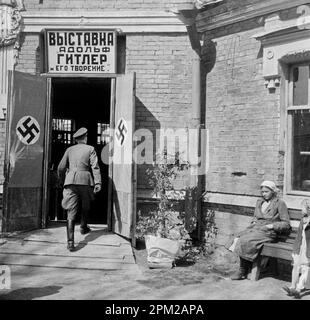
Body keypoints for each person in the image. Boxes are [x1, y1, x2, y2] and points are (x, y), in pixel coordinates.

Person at [231, 180, 291, 280]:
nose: (264, 194)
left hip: (269, 233)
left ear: (273, 191)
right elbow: (255, 217)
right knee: (237, 237)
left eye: (266, 192)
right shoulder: (260, 202)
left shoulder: (279, 203)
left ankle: (242, 270)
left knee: (246, 240)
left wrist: (271, 226)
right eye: (262, 192)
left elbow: (286, 224)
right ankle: (247, 268)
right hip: (256, 229)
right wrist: (254, 223)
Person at [58, 127, 102, 251]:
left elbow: (61, 168)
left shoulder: (69, 150)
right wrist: (98, 182)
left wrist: (63, 180)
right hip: (86, 180)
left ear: (76, 139)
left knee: (70, 211)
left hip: (70, 181)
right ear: (85, 137)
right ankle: (83, 227)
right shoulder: (90, 149)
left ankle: (70, 243)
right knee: (86, 204)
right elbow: (95, 167)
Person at [283, 199, 310, 299]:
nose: (300, 211)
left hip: (308, 249)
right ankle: (292, 287)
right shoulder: (303, 219)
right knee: (295, 266)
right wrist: (295, 247)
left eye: (302, 209)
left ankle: (299, 289)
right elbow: (299, 235)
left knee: (305, 268)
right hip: (300, 246)